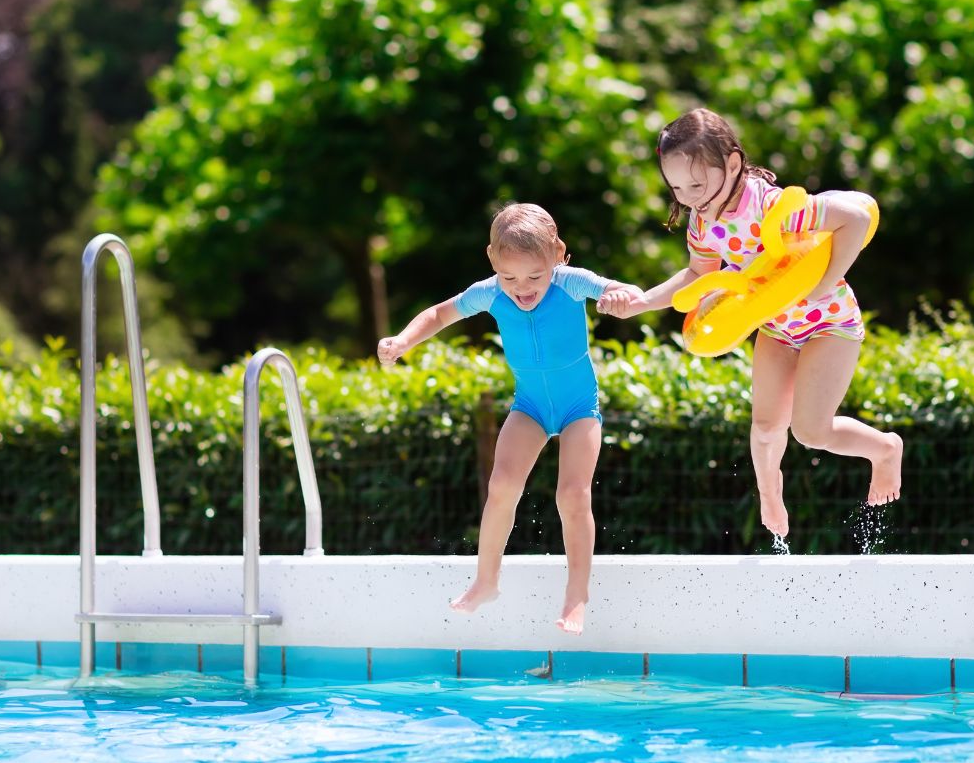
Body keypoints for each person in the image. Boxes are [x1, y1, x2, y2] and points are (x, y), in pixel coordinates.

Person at [599, 108, 902, 540]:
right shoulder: (703, 222)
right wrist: (641, 302)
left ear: (734, 164)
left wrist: (827, 281)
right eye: (677, 187)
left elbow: (855, 219)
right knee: (763, 428)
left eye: (697, 184)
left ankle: (886, 448)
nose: (687, 197)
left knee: (811, 430)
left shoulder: (776, 208)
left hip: (828, 322)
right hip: (777, 327)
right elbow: (697, 275)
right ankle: (770, 495)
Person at [378, 202, 643, 634]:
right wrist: (404, 340)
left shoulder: (571, 283)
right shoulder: (491, 292)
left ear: (557, 255)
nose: (522, 288)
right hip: (531, 408)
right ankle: (486, 582)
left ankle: (577, 594)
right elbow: (440, 313)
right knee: (501, 485)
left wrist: (619, 296)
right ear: (492, 261)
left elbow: (624, 290)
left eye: (535, 276)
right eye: (510, 277)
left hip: (579, 409)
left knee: (572, 496)